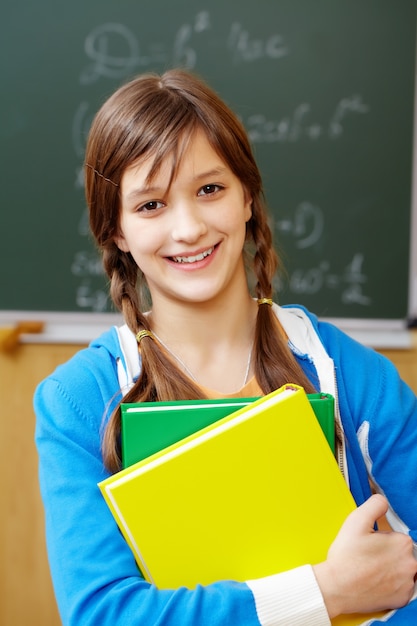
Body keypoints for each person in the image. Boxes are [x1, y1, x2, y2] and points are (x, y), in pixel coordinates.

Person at [34, 68, 417, 626]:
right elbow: (102, 614)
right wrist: (325, 593)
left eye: (209, 189)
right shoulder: (78, 401)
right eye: (150, 205)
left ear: (247, 198)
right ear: (116, 230)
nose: (188, 228)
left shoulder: (350, 374)